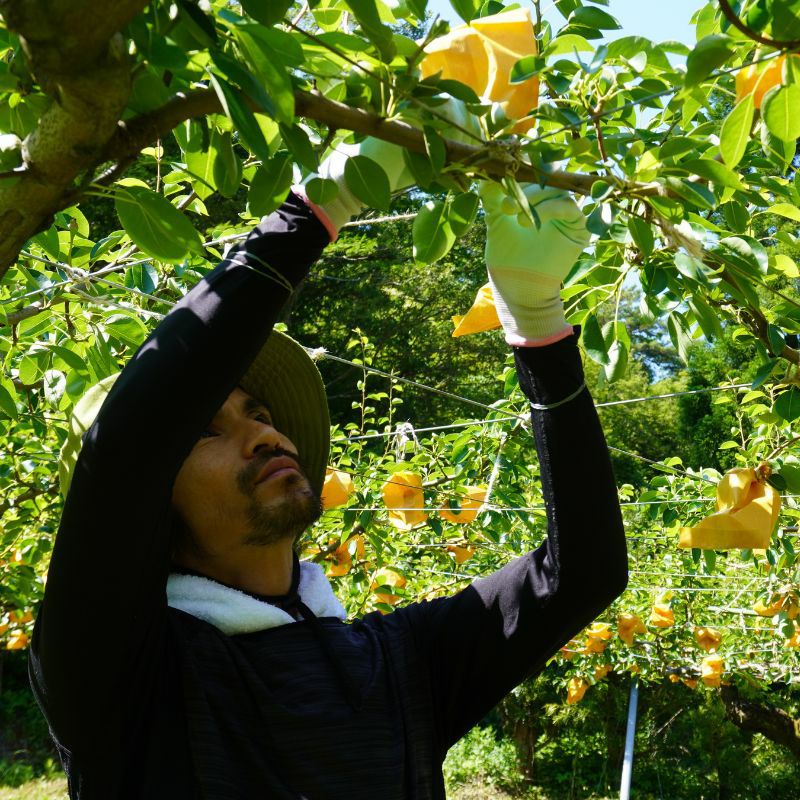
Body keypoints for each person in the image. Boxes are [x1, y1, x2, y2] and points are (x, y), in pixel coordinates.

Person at [28, 123, 627, 798]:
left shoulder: (400, 661)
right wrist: (313, 210)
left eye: (260, 413)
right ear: (149, 502)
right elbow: (126, 449)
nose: (264, 436)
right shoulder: (121, 671)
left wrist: (538, 322)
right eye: (205, 431)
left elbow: (583, 572)